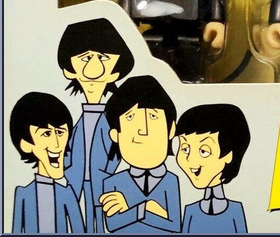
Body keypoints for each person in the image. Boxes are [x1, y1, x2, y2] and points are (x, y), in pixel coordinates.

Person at [58, 18, 135, 232]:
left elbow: (119, 149)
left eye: (103, 58)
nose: (94, 68)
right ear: (69, 70)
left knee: (101, 221)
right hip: (75, 180)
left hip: (104, 180)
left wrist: (108, 172)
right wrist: (69, 171)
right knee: (76, 220)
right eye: (85, 58)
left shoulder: (111, 121)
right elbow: (69, 150)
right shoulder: (78, 123)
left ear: (115, 71)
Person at [101, 75, 181, 233]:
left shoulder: (170, 180)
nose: (143, 130)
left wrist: (130, 208)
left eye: (153, 116)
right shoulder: (112, 182)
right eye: (130, 117)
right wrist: (145, 209)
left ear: (171, 129)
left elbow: (175, 224)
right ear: (115, 135)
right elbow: (112, 224)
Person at [10, 92, 84, 233]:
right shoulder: (23, 194)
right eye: (46, 134)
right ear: (26, 144)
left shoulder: (67, 193)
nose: (56, 144)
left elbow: (80, 231)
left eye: (60, 132)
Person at [176, 104, 251, 233]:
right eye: (185, 149)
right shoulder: (190, 211)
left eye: (203, 151)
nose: (190, 159)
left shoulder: (235, 210)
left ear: (228, 155)